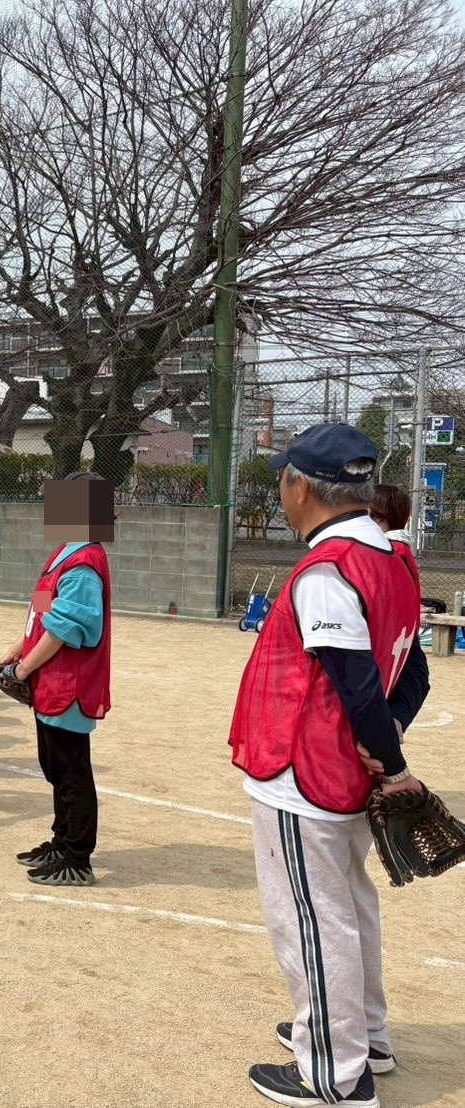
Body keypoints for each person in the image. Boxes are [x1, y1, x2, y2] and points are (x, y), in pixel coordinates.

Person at [229, 423, 430, 1108]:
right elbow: (412, 676)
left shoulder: (327, 569)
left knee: (312, 919)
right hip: (340, 771)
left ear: (298, 487)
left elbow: (357, 686)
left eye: (282, 480)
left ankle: (336, 1073)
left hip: (302, 771)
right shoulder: (394, 560)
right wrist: (383, 750)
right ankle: (362, 1036)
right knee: (348, 907)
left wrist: (391, 762)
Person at [0, 471, 113, 888]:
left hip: (68, 684)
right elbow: (41, 610)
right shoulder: (63, 554)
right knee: (53, 766)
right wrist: (18, 647)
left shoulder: (84, 562)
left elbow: (69, 626)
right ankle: (61, 840)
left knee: (71, 772)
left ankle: (77, 856)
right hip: (49, 681)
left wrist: (25, 668)